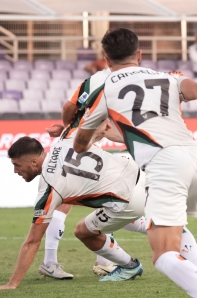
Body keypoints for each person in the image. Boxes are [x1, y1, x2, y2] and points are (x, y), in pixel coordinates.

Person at [73, 28, 197, 298]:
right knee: (174, 231)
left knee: (163, 255)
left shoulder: (104, 91)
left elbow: (80, 142)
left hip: (166, 166)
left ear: (105, 59)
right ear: (139, 54)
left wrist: (85, 139)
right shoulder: (166, 77)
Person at [0, 120, 146, 290]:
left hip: (128, 200)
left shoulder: (48, 187)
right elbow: (98, 125)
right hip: (140, 175)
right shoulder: (66, 137)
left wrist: (13, 283)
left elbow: (33, 241)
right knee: (110, 210)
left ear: (33, 162)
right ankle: (164, 229)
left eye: (17, 165)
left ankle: (129, 266)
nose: (15, 171)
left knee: (82, 231)